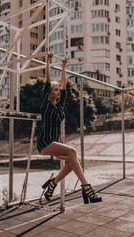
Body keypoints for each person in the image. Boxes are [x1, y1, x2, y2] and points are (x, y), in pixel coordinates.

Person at [37, 52, 102, 204]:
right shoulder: (45, 104)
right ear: (48, 93)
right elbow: (47, 81)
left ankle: (52, 184)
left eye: (58, 90)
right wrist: (48, 61)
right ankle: (87, 188)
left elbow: (65, 86)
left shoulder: (59, 107)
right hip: (44, 142)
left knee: (74, 160)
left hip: (53, 141)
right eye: (55, 89)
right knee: (72, 152)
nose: (58, 91)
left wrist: (64, 66)